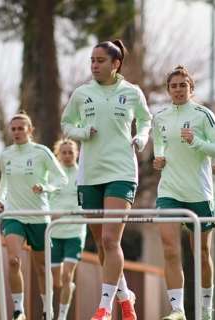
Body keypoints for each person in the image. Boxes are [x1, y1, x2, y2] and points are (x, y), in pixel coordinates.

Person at [61, 39, 152, 320]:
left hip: (122, 172)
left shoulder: (132, 92)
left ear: (116, 64)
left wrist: (142, 137)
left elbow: (146, 120)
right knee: (101, 243)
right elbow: (66, 125)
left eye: (100, 61)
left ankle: (104, 307)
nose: (94, 65)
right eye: (92, 60)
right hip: (89, 175)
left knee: (112, 239)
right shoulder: (81, 93)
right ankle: (124, 296)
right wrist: (81, 132)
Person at [152, 65, 215, 320]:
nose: (178, 89)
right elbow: (158, 147)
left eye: (183, 85)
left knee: (202, 254)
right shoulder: (160, 117)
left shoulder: (203, 114)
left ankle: (206, 308)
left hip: (199, 193)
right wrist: (158, 159)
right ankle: (177, 310)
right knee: (171, 250)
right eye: (174, 86)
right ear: (168, 90)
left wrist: (196, 141)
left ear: (191, 89)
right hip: (169, 191)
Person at [0, 112, 67, 320]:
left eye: (21, 128)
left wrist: (45, 187)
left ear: (30, 130)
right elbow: (5, 183)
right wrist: (0, 198)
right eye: (14, 128)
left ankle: (47, 309)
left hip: (38, 216)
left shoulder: (41, 152)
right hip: (14, 215)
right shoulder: (6, 155)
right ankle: (19, 309)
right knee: (13, 261)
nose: (16, 132)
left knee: (42, 269)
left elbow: (61, 179)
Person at [49, 139, 85, 320]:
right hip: (54, 232)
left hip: (75, 232)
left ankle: (61, 316)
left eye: (71, 152)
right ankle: (67, 287)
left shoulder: (83, 174)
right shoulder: (52, 174)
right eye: (64, 152)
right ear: (58, 154)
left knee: (66, 276)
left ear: (77, 153)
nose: (68, 155)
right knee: (56, 281)